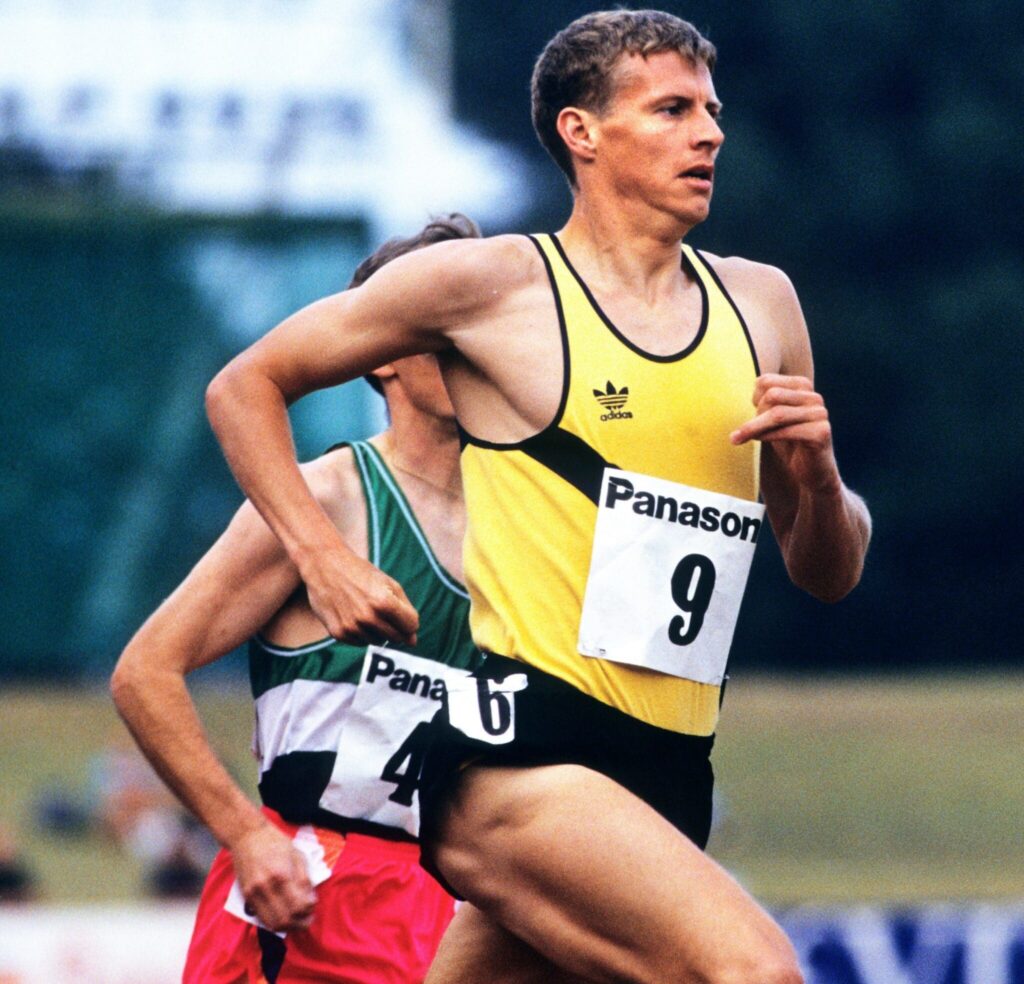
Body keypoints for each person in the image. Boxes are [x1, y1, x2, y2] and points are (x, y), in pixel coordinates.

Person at [203, 11, 872, 984]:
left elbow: (825, 572)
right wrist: (324, 558)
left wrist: (818, 478)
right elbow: (244, 387)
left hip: (669, 773)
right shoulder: (492, 287)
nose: (710, 134)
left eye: (712, 111)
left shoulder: (761, 304)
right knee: (754, 972)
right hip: (519, 758)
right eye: (673, 110)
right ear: (581, 132)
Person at [111, 214, 484, 984]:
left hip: (453, 899)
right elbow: (144, 672)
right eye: (439, 323)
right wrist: (245, 836)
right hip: (311, 895)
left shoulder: (524, 522)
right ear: (380, 354)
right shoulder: (325, 499)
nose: (468, 342)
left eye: (477, 320)